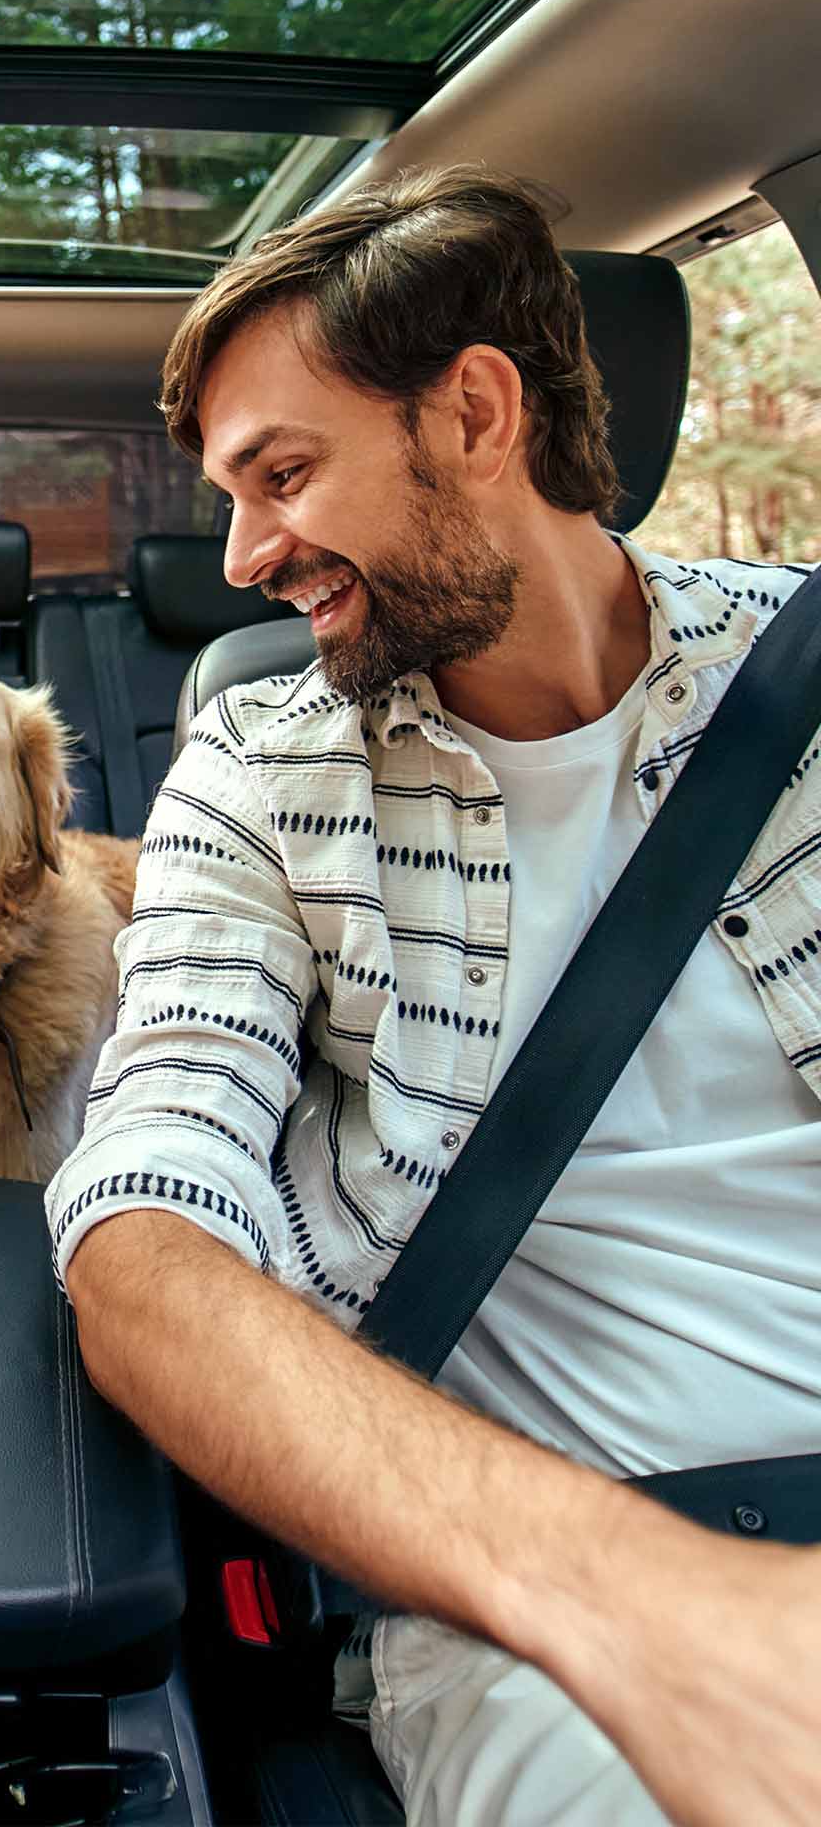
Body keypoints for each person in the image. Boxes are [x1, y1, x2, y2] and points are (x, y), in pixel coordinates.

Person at [48, 168, 821, 1826]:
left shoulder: (802, 691)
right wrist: (637, 1601)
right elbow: (141, 1236)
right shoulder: (258, 772)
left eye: (284, 473)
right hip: (544, 1616)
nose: (245, 552)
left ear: (476, 412)